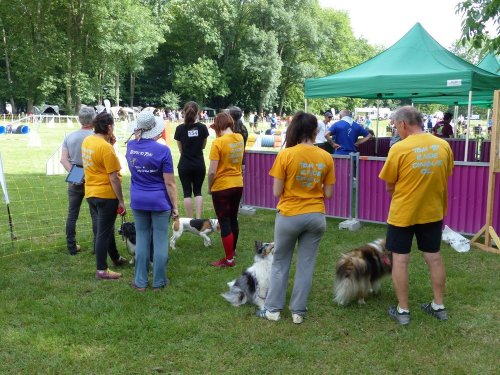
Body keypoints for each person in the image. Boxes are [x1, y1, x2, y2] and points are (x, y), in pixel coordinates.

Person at [257, 111, 335, 324]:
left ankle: (272, 309)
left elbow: (276, 191)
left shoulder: (286, 155)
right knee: (306, 265)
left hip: (290, 215)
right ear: (315, 131)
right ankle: (298, 312)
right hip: (316, 215)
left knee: (280, 262)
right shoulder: (326, 157)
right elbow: (328, 194)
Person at [379, 106, 454, 325]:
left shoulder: (399, 149)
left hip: (403, 213)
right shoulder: (443, 145)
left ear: (403, 124)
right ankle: (438, 306)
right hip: (432, 211)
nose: (396, 130)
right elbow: (445, 174)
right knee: (434, 257)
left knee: (400, 260)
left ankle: (403, 311)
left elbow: (389, 186)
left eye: (395, 126)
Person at [126, 111, 179, 291]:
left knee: (142, 240)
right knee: (160, 241)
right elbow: (170, 182)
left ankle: (140, 282)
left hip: (139, 199)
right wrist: (175, 207)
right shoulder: (163, 150)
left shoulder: (131, 146)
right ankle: (159, 282)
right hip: (159, 201)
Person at [82, 112, 127, 280]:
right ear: (109, 127)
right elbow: (114, 177)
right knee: (103, 233)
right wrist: (121, 200)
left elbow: (97, 160)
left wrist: (110, 142)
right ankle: (101, 269)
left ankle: (115, 258)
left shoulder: (88, 140)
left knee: (106, 229)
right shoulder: (106, 148)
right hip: (106, 195)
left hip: (91, 193)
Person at [208, 112, 244, 267]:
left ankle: (229, 259)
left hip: (222, 186)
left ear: (219, 126)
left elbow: (211, 171)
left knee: (224, 221)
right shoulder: (240, 138)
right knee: (233, 218)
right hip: (238, 184)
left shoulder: (218, 142)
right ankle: (232, 250)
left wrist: (210, 187)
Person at [60, 106, 97, 255]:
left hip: (75, 172)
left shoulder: (69, 136)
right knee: (95, 213)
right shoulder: (97, 137)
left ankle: (71, 247)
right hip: (93, 175)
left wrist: (76, 174)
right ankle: (97, 247)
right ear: (93, 118)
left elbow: (63, 160)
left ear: (79, 119)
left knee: (72, 213)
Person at [174, 101, 209, 219]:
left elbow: (180, 149)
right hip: (199, 163)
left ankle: (190, 220)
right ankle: (198, 219)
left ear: (184, 112)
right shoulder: (203, 128)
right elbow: (203, 146)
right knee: (198, 191)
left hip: (184, 164)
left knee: (187, 193)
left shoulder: (179, 129)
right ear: (198, 113)